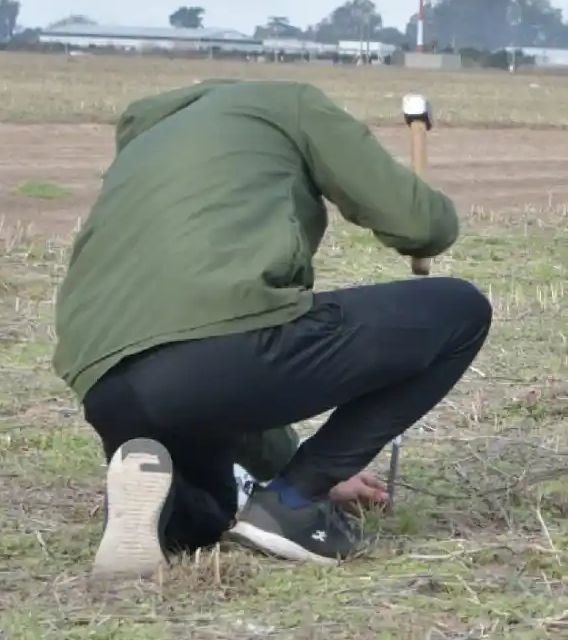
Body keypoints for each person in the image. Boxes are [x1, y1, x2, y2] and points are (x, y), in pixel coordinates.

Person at [52, 79, 493, 577]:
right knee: (459, 310)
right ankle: (293, 503)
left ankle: (161, 509)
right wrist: (314, 471)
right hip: (216, 353)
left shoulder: (147, 139)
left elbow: (211, 361)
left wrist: (286, 460)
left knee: (213, 511)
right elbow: (421, 226)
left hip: (107, 385)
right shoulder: (289, 104)